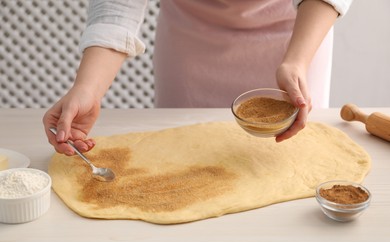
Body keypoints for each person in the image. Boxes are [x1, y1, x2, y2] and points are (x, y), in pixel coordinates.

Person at [43, 0, 352, 156]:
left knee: (290, 158)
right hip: (190, 43)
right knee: (184, 154)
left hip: (297, 37)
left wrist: (297, 60)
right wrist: (88, 87)